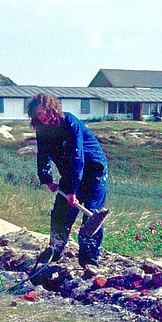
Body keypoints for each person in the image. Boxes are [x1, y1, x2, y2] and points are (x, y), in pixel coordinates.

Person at [27, 92, 109, 268]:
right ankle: (54, 252)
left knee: (92, 215)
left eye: (45, 112)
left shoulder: (70, 123)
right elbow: (43, 155)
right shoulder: (42, 130)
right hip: (71, 172)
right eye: (38, 114)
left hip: (94, 171)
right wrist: (47, 177)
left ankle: (89, 261)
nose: (43, 117)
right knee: (60, 213)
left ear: (53, 108)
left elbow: (76, 157)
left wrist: (72, 191)